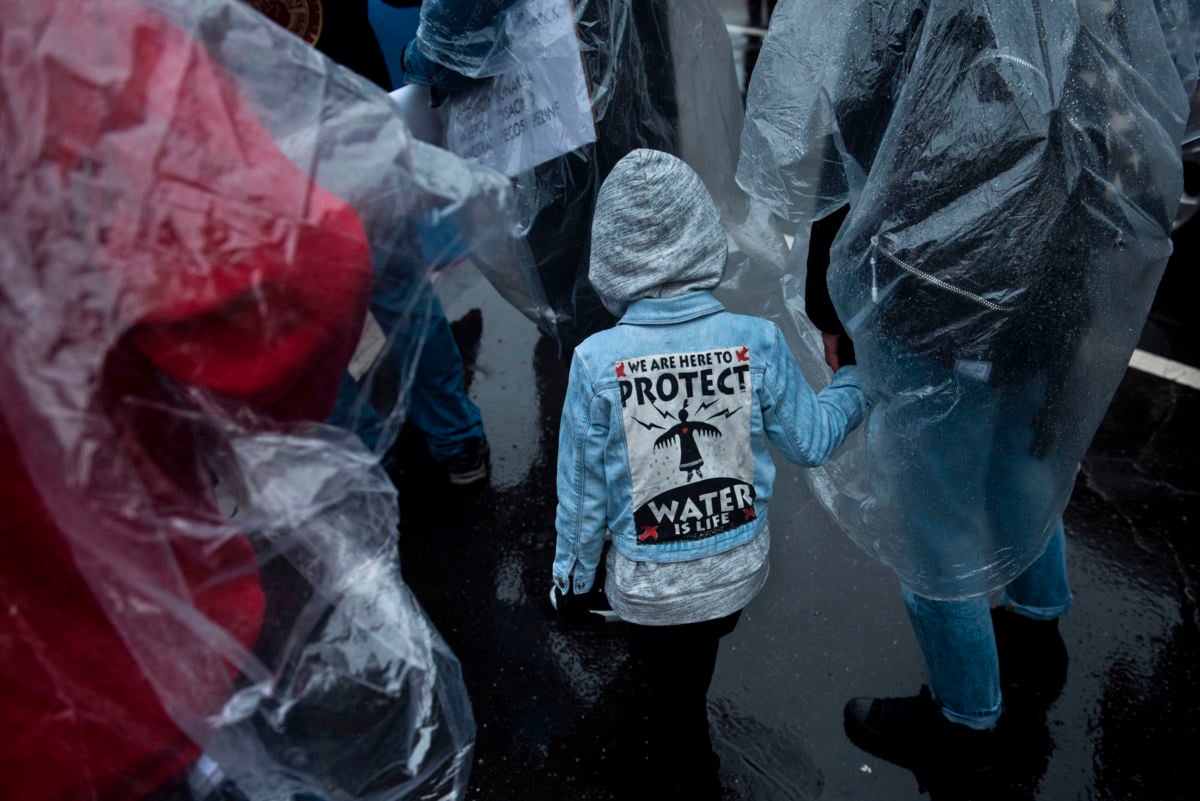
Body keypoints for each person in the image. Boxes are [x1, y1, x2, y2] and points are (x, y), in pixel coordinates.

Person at [736, 0, 1198, 775]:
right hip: (1052, 281)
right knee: (1024, 453)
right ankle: (1037, 617)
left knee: (934, 511)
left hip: (933, 297)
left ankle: (965, 715)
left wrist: (830, 303)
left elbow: (853, 139)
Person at [550, 149, 868, 798]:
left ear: (608, 253)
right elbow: (810, 440)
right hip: (737, 574)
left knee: (669, 692)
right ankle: (686, 716)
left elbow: (580, 499)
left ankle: (686, 768)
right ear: (703, 235)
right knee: (693, 658)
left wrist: (572, 584)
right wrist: (857, 386)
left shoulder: (595, 362)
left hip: (647, 589)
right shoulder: (757, 340)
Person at [241, 0, 491, 483]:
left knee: (312, 325)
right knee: (399, 299)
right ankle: (453, 442)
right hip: (350, 142)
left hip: (268, 161)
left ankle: (369, 463)